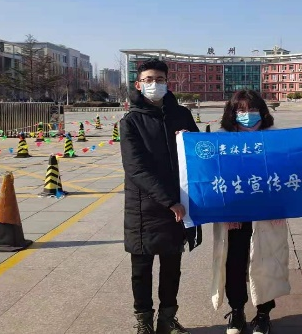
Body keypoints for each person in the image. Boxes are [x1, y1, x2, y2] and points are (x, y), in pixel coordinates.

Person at [120, 58, 201, 334]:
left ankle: (167, 319)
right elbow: (135, 168)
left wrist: (189, 140)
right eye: (149, 80)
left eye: (160, 80)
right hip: (144, 207)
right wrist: (168, 201)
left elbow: (200, 153)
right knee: (141, 268)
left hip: (178, 204)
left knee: (172, 266)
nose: (155, 84)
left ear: (168, 82)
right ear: (138, 85)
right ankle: (144, 322)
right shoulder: (131, 121)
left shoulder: (182, 115)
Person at [211, 90, 290, 334]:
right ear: (232, 113)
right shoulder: (221, 140)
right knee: (234, 263)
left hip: (267, 214)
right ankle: (237, 311)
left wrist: (280, 205)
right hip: (234, 216)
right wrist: (184, 140)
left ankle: (263, 314)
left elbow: (289, 173)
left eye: (252, 109)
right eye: (241, 110)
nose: (247, 114)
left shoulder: (276, 138)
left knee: (266, 262)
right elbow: (210, 176)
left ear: (262, 111)